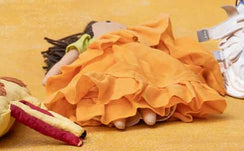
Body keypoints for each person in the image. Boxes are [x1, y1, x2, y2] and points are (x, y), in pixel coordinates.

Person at [41, 17, 226, 129]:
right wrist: (51, 77)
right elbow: (67, 59)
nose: (111, 24)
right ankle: (128, 114)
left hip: (141, 61)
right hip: (108, 64)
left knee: (149, 82)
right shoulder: (88, 40)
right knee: (115, 88)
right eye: (107, 22)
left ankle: (146, 111)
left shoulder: (136, 38)